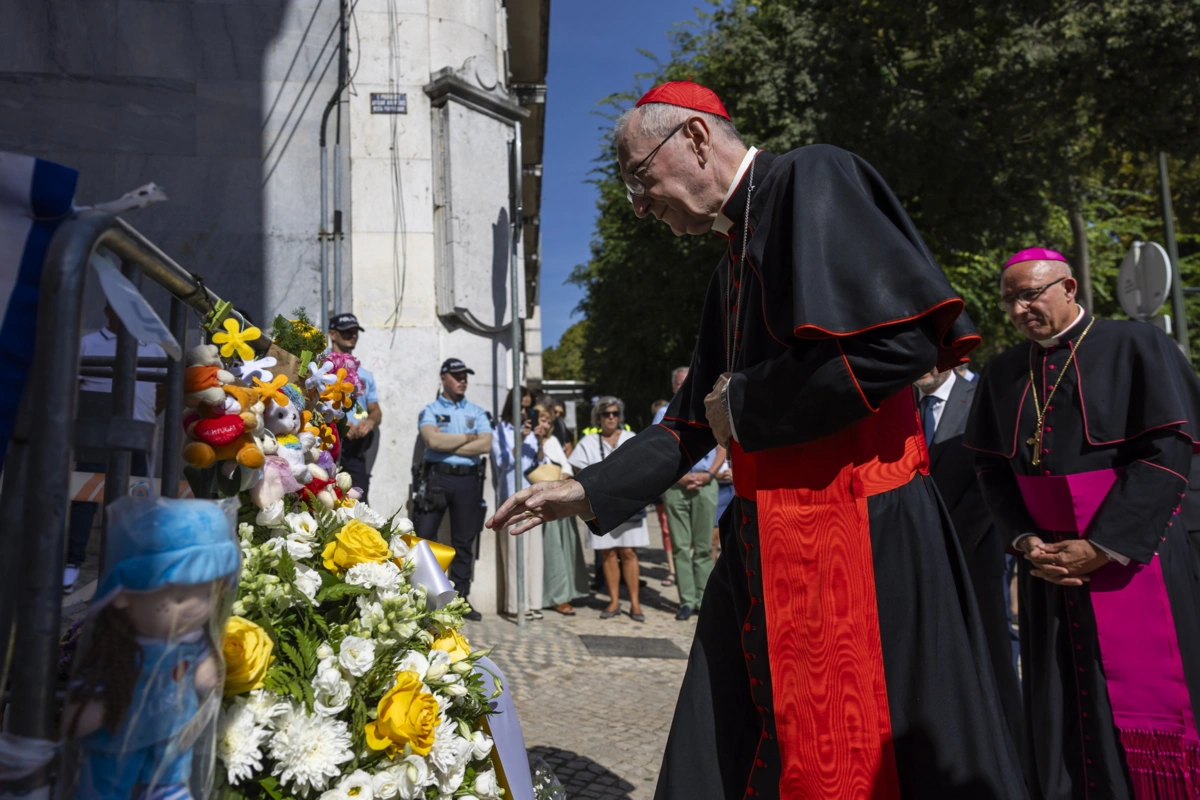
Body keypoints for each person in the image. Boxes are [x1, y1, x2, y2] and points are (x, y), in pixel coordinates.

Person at [487, 80, 1026, 799]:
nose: (641, 206)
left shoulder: (814, 175)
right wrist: (586, 489)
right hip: (771, 539)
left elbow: (902, 343)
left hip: (858, 533)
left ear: (697, 140)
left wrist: (747, 401)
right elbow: (687, 421)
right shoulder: (728, 268)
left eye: (640, 179)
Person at [965, 247, 1200, 799]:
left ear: (1069, 289)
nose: (1019, 309)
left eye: (1031, 294)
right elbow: (991, 470)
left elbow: (1167, 452)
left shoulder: (1137, 345)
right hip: (1050, 569)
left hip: (1134, 557)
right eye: (1009, 299)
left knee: (1146, 700)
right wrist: (1025, 541)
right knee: (1061, 701)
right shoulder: (1004, 372)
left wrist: (1103, 544)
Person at [915, 367, 1023, 757]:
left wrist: (947, 542)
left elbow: (990, 482)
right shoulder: (899, 407)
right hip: (915, 561)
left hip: (975, 553)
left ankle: (1012, 750)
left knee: (992, 658)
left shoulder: (981, 400)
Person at [64, 304, 164, 594]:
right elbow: (74, 387)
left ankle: (130, 567)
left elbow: (164, 390)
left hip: (139, 436)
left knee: (137, 499)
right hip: (98, 435)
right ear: (107, 309)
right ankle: (72, 564)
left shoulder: (154, 350)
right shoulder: (89, 343)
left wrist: (144, 415)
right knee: (85, 498)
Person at [414, 358, 493, 622]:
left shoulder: (478, 412)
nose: (462, 380)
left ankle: (460, 597)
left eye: (465, 376)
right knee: (425, 537)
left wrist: (448, 444)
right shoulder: (430, 410)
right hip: (437, 478)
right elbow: (432, 440)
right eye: (457, 376)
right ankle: (423, 595)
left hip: (468, 480)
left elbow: (485, 446)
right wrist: (469, 439)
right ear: (443, 378)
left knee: (464, 540)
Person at [653, 365, 725, 621]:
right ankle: (686, 600)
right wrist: (680, 477)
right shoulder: (663, 413)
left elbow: (722, 447)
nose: (685, 386)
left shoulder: (710, 407)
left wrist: (710, 474)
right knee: (681, 546)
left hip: (706, 482)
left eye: (688, 381)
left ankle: (704, 599)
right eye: (680, 383)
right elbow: (657, 451)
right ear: (674, 386)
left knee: (705, 546)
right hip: (676, 485)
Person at [568, 397, 648, 622]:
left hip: (628, 502)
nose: (611, 417)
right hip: (600, 504)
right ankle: (613, 600)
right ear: (599, 418)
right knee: (608, 553)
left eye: (614, 413)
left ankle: (635, 602)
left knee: (629, 552)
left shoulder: (631, 438)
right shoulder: (589, 441)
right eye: (606, 414)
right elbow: (578, 467)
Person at [492, 387, 543, 620]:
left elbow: (539, 462)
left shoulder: (530, 431)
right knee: (514, 552)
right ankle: (514, 604)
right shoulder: (500, 431)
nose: (524, 411)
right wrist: (520, 438)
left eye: (527, 406)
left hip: (533, 494)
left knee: (533, 552)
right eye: (521, 406)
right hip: (511, 495)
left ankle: (532, 602)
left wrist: (539, 440)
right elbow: (503, 462)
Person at [537, 405, 590, 615]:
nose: (545, 425)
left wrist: (559, 487)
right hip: (535, 502)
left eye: (549, 422)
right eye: (542, 420)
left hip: (556, 501)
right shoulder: (526, 441)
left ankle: (560, 596)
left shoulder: (553, 442)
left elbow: (566, 469)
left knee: (559, 552)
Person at [328, 313, 382, 502]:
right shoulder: (321, 367)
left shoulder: (364, 374)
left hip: (356, 447)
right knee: (325, 500)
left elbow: (375, 410)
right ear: (332, 334)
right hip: (328, 442)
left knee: (359, 502)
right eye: (346, 332)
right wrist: (340, 423)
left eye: (355, 331)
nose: (352, 335)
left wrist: (370, 422)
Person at [649, 399, 677, 588]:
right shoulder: (657, 428)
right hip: (662, 483)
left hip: (679, 480)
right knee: (667, 528)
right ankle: (673, 570)